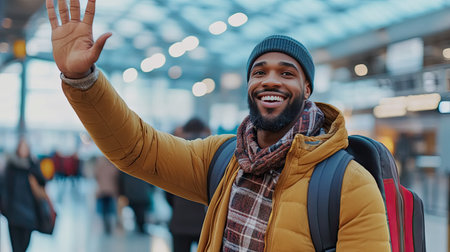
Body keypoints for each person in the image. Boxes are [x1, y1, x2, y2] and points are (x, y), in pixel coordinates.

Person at [45, 0, 391, 250]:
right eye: (259, 72)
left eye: (287, 73)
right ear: (249, 86)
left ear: (308, 89)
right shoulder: (224, 158)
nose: (271, 81)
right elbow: (138, 149)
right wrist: (84, 82)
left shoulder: (348, 183)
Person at [166, 118, 210, 252]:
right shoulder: (212, 151)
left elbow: (167, 191)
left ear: (184, 131)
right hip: (204, 222)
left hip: (180, 220)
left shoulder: (176, 152)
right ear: (205, 130)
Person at [2, 138, 47, 252]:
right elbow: (3, 188)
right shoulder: (11, 166)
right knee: (16, 247)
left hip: (29, 213)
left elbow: (43, 184)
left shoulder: (33, 166)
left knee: (25, 246)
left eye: (25, 147)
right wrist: (6, 208)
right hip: (13, 213)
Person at [94, 155, 119, 234]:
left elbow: (96, 175)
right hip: (110, 191)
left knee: (104, 209)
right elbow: (116, 176)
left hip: (102, 191)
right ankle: (109, 225)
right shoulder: (113, 166)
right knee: (110, 209)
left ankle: (106, 225)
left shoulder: (99, 166)